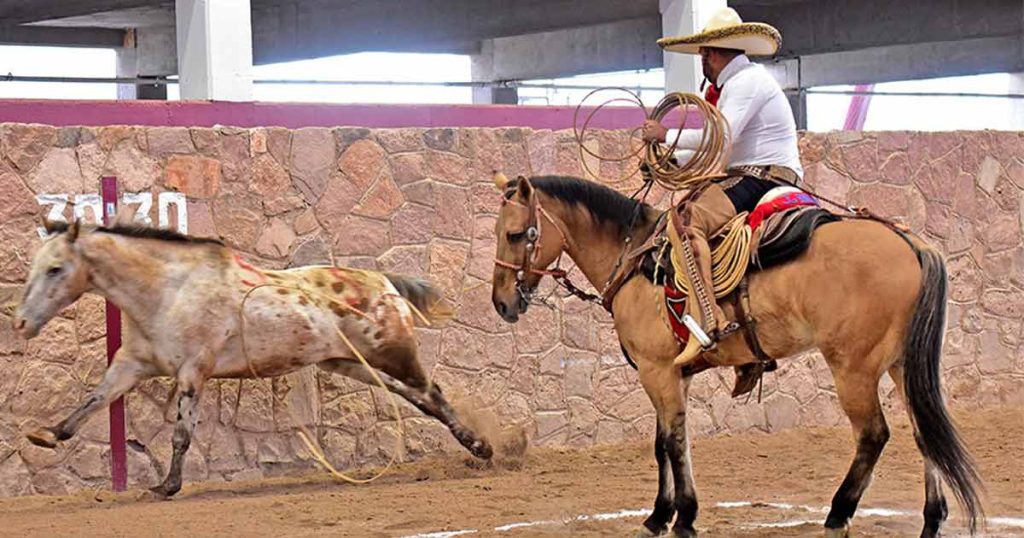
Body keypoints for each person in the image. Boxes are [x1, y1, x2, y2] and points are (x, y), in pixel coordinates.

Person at [642, 7, 803, 374]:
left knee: (684, 221)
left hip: (762, 176)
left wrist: (665, 136)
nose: (703, 64)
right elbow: (717, 146)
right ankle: (748, 346)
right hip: (757, 173)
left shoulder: (745, 83)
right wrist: (670, 159)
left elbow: (720, 138)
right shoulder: (744, 81)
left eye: (703, 56)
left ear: (712, 54)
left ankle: (709, 320)